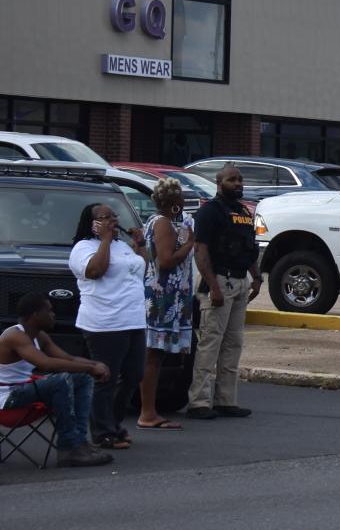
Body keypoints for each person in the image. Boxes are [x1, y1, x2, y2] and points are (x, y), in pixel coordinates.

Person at [68, 201, 147, 449]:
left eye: (114, 216)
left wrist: (141, 246)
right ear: (93, 224)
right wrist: (103, 240)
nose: (113, 220)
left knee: (134, 375)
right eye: (105, 217)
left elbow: (139, 271)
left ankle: (113, 422)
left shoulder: (122, 246)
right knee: (106, 378)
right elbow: (95, 271)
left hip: (133, 320)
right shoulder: (83, 248)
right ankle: (102, 431)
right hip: (105, 323)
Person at [0, 293, 113, 466]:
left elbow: (69, 359)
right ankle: (68, 448)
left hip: (24, 391)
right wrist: (91, 368)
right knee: (60, 380)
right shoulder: (15, 336)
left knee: (82, 378)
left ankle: (79, 443)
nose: (54, 315)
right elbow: (46, 364)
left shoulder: (40, 336)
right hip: (7, 400)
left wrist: (95, 364)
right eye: (49, 311)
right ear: (35, 315)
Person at [189, 164, 260, 420]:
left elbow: (249, 246)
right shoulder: (210, 211)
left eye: (240, 179)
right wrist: (214, 286)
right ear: (219, 183)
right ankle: (199, 402)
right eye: (232, 180)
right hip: (219, 280)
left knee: (233, 344)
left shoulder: (242, 211)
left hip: (240, 281)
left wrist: (257, 277)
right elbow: (201, 251)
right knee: (210, 344)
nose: (238, 184)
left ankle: (226, 400)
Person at [139, 177, 194, 430]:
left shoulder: (158, 222)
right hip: (162, 297)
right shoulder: (163, 224)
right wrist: (190, 243)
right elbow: (166, 261)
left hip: (164, 294)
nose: (183, 201)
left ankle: (149, 411)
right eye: (180, 197)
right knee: (153, 355)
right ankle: (147, 413)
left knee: (155, 355)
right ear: (173, 201)